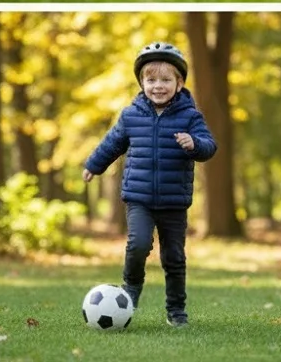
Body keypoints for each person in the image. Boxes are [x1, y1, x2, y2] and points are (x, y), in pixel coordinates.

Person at [83, 42, 217, 327]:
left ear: (179, 84)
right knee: (138, 244)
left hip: (174, 201)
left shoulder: (190, 117)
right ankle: (130, 291)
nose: (158, 85)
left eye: (166, 80)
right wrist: (93, 165)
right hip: (139, 197)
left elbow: (209, 147)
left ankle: (176, 310)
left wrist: (194, 144)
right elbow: (112, 143)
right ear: (142, 82)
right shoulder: (131, 116)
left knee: (174, 257)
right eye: (151, 79)